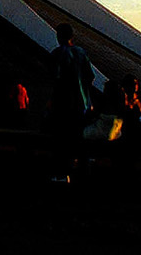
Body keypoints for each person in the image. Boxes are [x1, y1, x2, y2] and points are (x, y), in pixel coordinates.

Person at [47, 22, 96, 182]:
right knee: (79, 139)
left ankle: (62, 173)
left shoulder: (58, 53)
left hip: (63, 104)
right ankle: (83, 172)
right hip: (82, 104)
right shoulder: (81, 53)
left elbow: (55, 78)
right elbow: (90, 76)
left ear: (59, 36)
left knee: (61, 139)